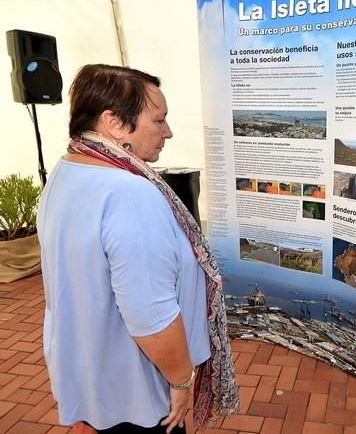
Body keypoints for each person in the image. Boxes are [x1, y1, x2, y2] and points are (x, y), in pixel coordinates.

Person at [37, 64, 239, 433]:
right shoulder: (130, 193)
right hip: (136, 393)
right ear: (114, 123)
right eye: (158, 120)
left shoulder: (68, 170)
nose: (168, 132)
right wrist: (180, 381)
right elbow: (150, 314)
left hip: (92, 375)